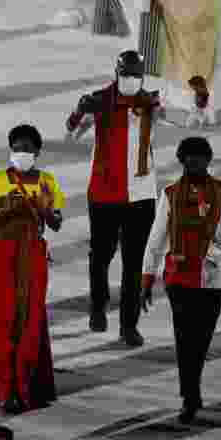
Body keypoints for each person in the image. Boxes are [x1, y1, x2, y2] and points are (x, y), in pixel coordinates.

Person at [141, 137, 221, 423]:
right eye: (190, 157)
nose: (195, 162)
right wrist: (146, 278)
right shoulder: (171, 194)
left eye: (200, 157)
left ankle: (191, 389)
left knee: (201, 340)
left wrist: (210, 229)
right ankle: (190, 396)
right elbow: (156, 239)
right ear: (182, 159)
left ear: (209, 160)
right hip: (179, 277)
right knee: (185, 339)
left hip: (214, 278)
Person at [66, 50, 163, 346]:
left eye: (136, 76)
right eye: (126, 75)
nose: (131, 80)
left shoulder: (151, 103)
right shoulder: (99, 101)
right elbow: (71, 135)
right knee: (101, 256)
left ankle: (129, 325)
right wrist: (78, 113)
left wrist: (200, 101)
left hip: (141, 194)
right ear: (116, 73)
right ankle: (98, 306)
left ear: (142, 76)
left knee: (134, 263)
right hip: (104, 192)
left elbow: (183, 119)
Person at [0, 124, 63, 414]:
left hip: (32, 253)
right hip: (2, 253)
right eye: (17, 148)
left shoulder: (47, 181)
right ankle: (5, 389)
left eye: (27, 148)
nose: (22, 153)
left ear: (37, 151)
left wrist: (42, 207)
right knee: (2, 319)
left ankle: (25, 386)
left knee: (30, 319)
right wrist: (6, 210)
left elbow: (56, 222)